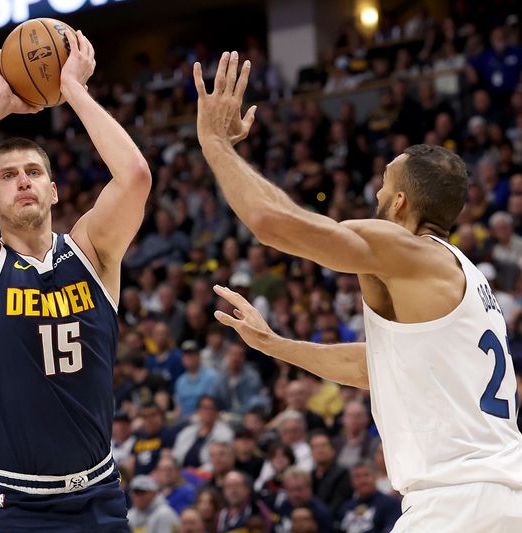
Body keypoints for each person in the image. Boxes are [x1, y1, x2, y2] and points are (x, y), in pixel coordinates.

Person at [195, 51, 522, 531]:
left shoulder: (403, 247)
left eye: (383, 185)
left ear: (402, 201)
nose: (376, 195)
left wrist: (214, 144)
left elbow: (271, 224)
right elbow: (373, 368)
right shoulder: (466, 279)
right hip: (499, 493)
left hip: (457, 503)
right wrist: (276, 345)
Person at [0, 30, 151, 532]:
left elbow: (134, 175)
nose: (22, 180)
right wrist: (1, 101)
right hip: (12, 505)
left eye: (32, 172)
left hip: (98, 494)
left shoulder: (93, 252)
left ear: (53, 189)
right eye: (7, 176)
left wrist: (75, 91)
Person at [338, 461, 402, 533]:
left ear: (375, 477)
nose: (362, 481)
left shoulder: (391, 504)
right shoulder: (346, 507)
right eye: (357, 476)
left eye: (366, 475)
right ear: (351, 481)